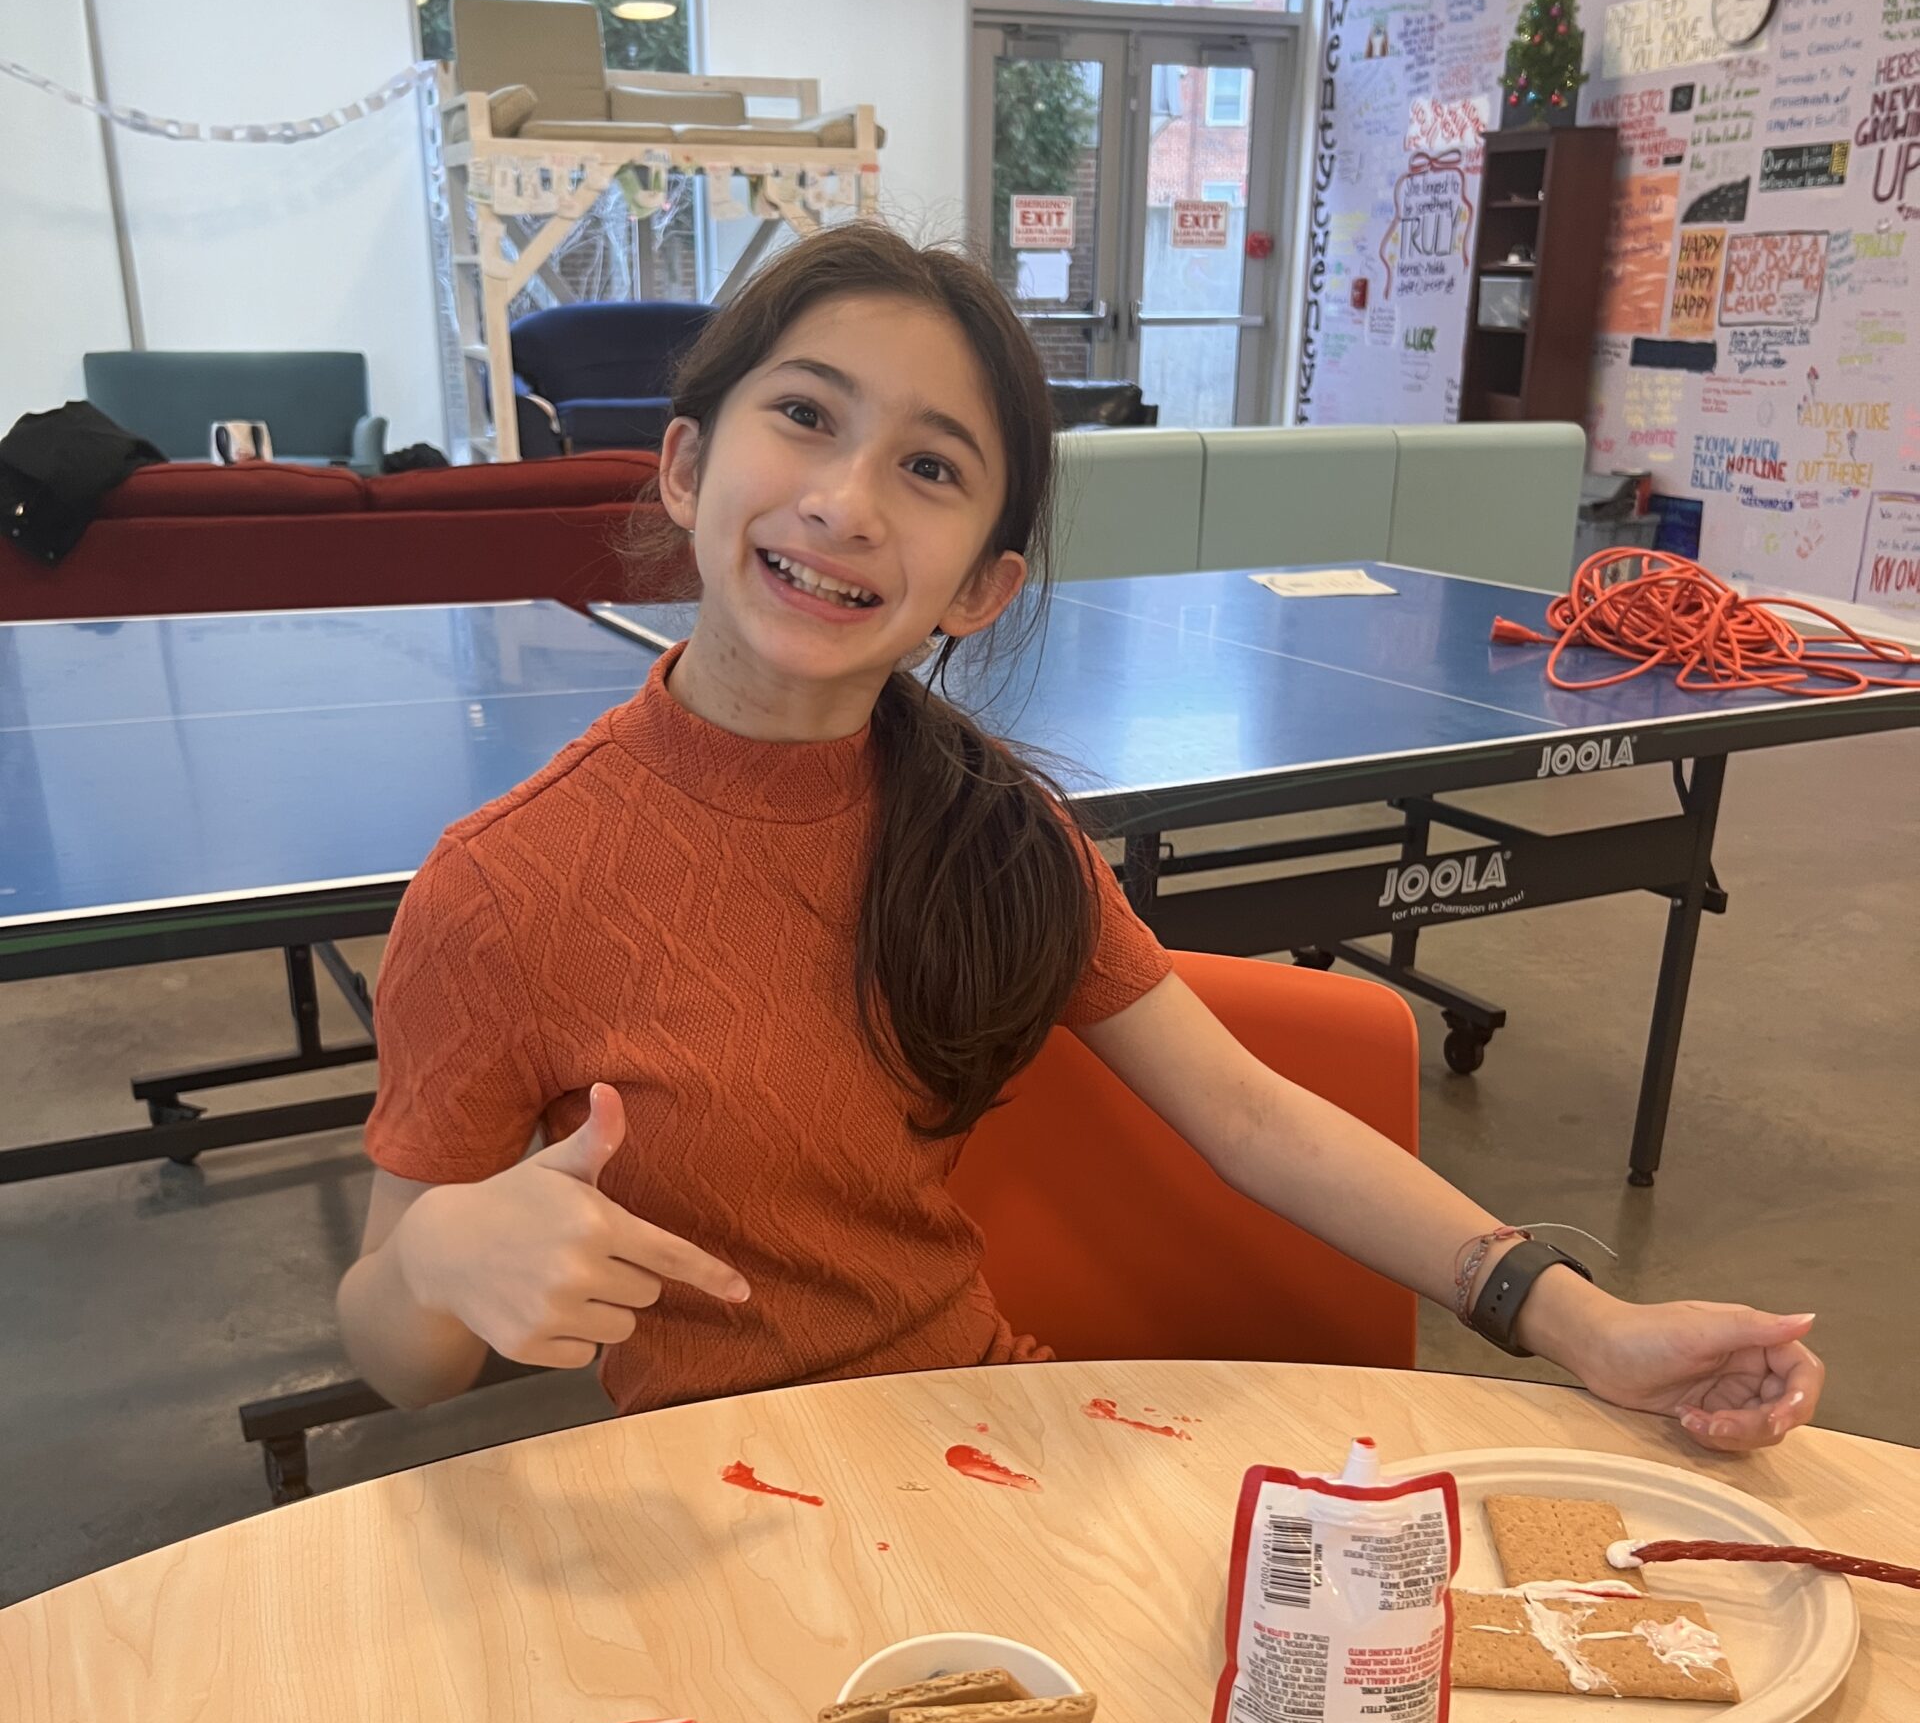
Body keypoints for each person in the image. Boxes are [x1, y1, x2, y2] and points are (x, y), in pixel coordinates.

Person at [339, 226, 1823, 1453]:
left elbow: (1252, 1118)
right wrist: (433, 1262)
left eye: (929, 467)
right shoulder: (503, 889)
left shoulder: (992, 833)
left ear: (980, 587)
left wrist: (1590, 1326)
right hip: (718, 1503)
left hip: (988, 1442)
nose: (844, 501)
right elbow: (400, 1359)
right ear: (681, 466)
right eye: (804, 414)